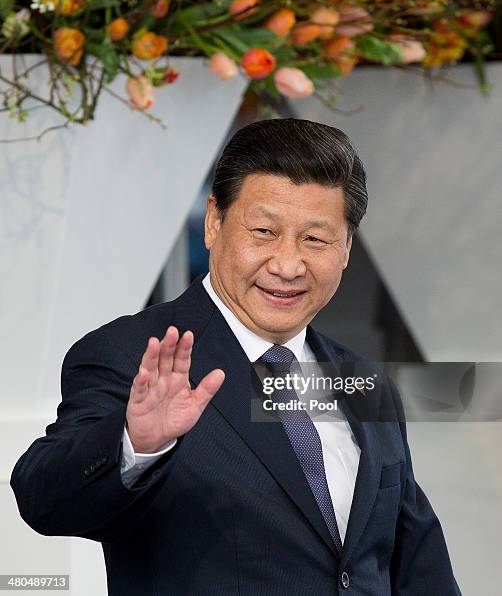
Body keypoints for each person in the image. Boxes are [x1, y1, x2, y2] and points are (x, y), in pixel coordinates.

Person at [11, 119, 461, 595]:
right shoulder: (133, 355)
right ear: (214, 222)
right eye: (264, 231)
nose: (288, 265)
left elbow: (414, 560)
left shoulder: (361, 379)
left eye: (315, 239)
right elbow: (44, 500)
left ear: (346, 246)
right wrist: (134, 444)